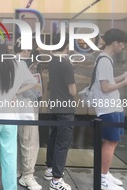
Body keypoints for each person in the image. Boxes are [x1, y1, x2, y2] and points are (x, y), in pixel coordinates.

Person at [0, 37, 37, 190]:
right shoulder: (19, 64)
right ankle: (10, 187)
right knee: (10, 156)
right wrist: (17, 92)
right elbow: (33, 82)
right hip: (10, 117)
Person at [92, 29, 127, 190]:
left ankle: (104, 174)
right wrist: (124, 83)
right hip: (108, 107)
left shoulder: (105, 59)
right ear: (115, 43)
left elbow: (108, 82)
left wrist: (122, 77)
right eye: (122, 44)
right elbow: (105, 87)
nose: (123, 47)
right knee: (111, 142)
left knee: (111, 142)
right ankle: (103, 177)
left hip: (111, 106)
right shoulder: (105, 60)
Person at [45, 34, 76, 190]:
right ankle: (56, 180)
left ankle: (50, 169)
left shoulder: (52, 62)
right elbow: (72, 90)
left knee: (54, 137)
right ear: (66, 45)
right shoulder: (66, 64)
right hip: (65, 108)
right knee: (62, 143)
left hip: (54, 106)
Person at [13, 38, 42, 190]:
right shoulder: (22, 63)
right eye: (30, 49)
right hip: (27, 107)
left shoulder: (11, 62)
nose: (31, 52)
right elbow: (30, 84)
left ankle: (20, 171)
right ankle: (27, 175)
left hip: (15, 108)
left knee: (19, 140)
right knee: (29, 141)